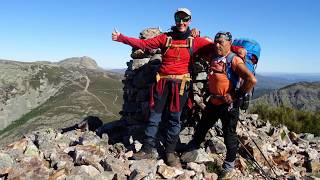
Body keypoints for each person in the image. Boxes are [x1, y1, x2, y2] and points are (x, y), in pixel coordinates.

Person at [112, 8, 213, 167]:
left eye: (184, 19)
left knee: (174, 119)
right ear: (174, 20)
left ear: (190, 21)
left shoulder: (195, 41)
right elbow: (143, 44)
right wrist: (121, 38)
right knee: (154, 117)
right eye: (178, 19)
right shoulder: (165, 38)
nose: (181, 22)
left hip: (181, 86)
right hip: (162, 84)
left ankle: (170, 153)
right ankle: (147, 148)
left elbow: (219, 47)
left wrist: (237, 51)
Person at [188, 31, 257, 179]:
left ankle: (228, 166)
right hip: (214, 102)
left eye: (221, 42)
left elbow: (251, 80)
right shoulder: (213, 57)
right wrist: (195, 34)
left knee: (229, 135)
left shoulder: (234, 60)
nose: (217, 45)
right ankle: (193, 148)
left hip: (228, 105)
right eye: (216, 42)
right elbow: (203, 44)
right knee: (203, 125)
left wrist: (235, 95)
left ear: (229, 44)